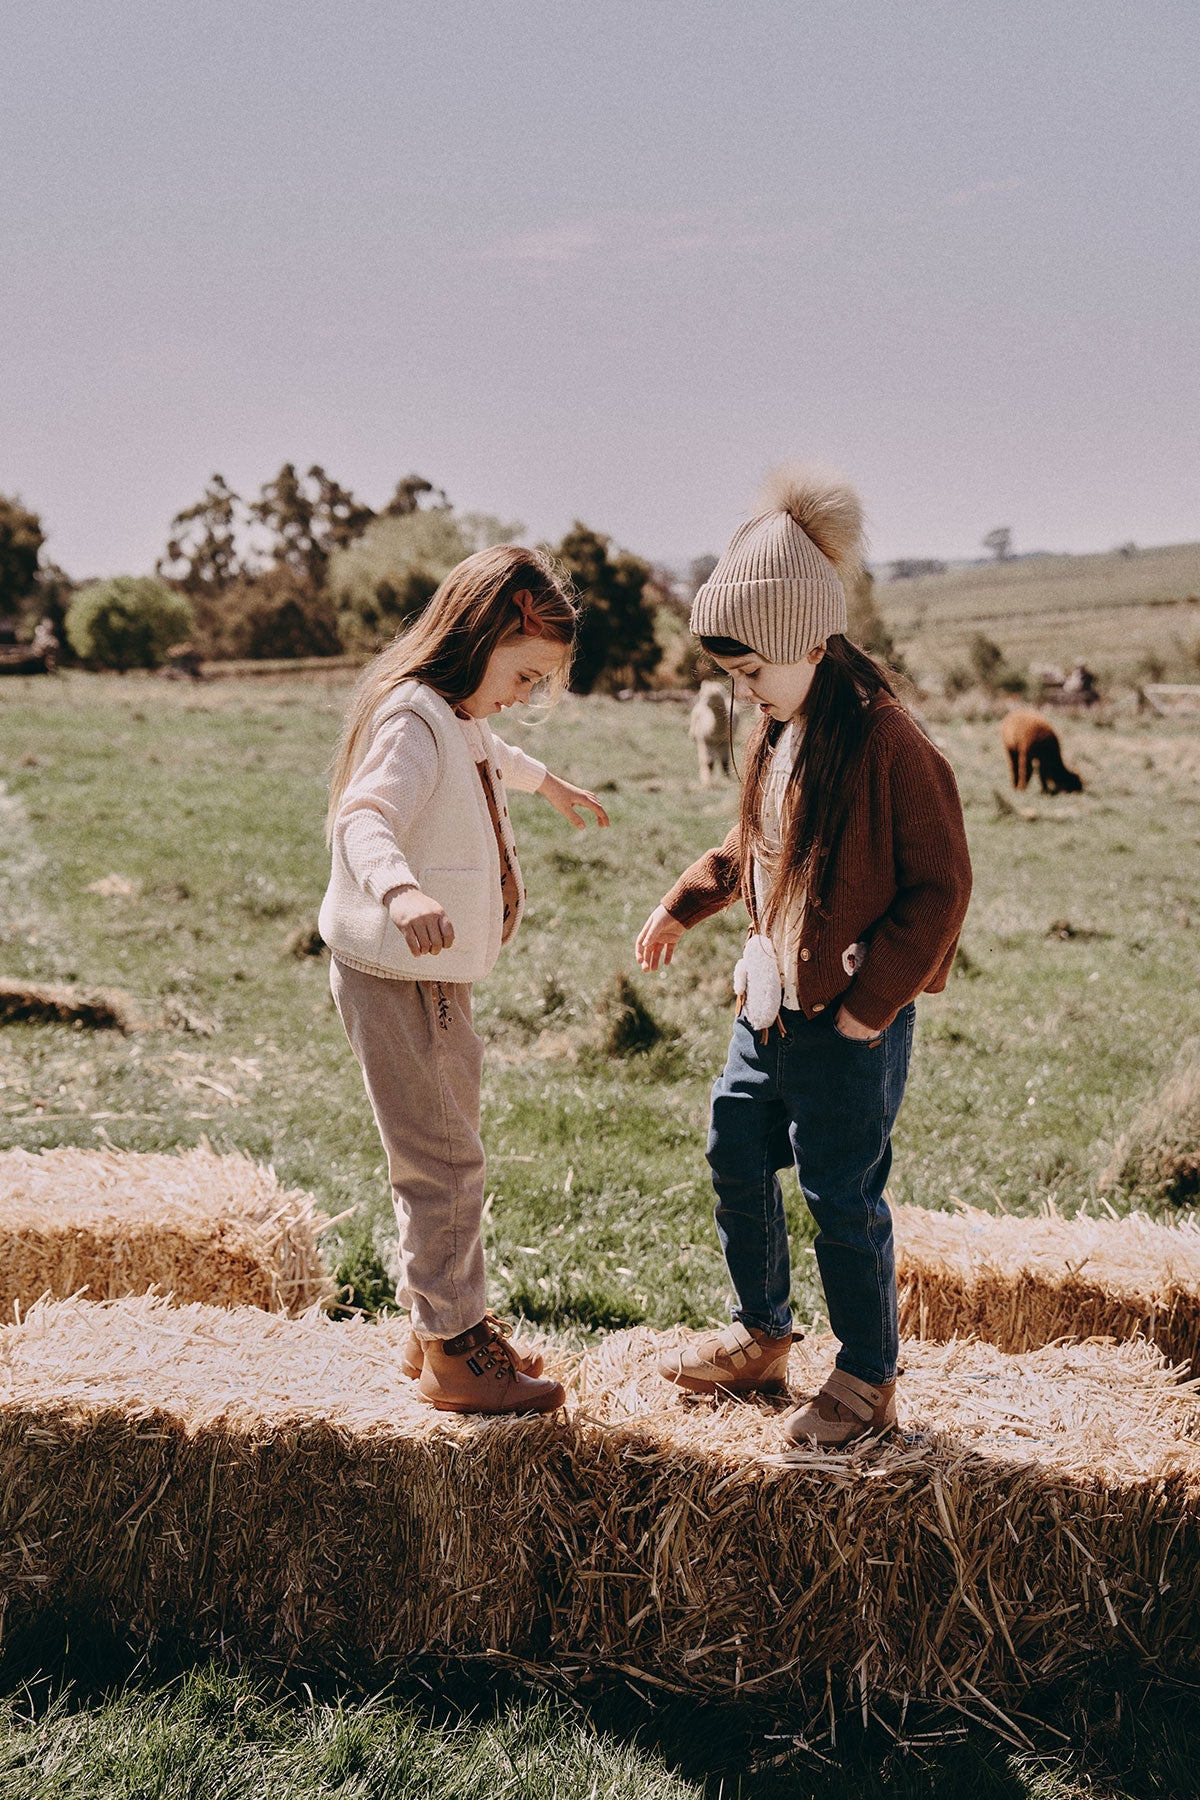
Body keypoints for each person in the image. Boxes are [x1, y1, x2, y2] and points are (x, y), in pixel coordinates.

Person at [635, 465, 972, 1447]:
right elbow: (753, 847)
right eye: (734, 677)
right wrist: (682, 904)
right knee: (735, 1151)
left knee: (842, 1197)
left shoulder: (889, 744)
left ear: (812, 643)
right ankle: (763, 1332)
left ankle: (868, 1380)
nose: (743, 693)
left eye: (752, 672)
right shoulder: (783, 731)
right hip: (769, 1009)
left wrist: (873, 1008)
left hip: (844, 1022)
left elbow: (940, 888)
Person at [321, 544, 608, 1415]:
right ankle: (453, 1349)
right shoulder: (414, 719)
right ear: (494, 625)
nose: (524, 695)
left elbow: (492, 752)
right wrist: (401, 889)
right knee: (444, 1156)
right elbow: (364, 815)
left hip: (428, 976)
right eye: (525, 674)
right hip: (403, 972)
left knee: (443, 1146)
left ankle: (433, 1324)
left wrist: (548, 782)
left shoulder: (455, 712)